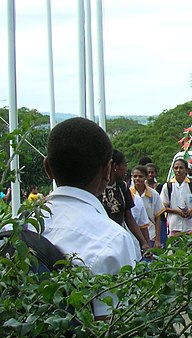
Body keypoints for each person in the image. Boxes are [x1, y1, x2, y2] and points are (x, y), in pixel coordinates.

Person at [39, 117, 139, 318]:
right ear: (107, 170)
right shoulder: (114, 241)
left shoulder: (18, 228)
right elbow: (114, 329)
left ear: (48, 168)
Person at [100, 150, 149, 251]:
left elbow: (129, 218)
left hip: (119, 240)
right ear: (115, 167)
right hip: (102, 242)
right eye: (124, 165)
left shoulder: (122, 187)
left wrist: (143, 242)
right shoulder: (98, 188)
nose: (126, 169)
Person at [160, 159, 192, 237]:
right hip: (174, 226)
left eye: (181, 168)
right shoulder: (168, 186)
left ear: (186, 169)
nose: (178, 170)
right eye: (176, 168)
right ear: (173, 170)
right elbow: (163, 207)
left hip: (191, 226)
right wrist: (177, 211)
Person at [131, 165, 165, 248]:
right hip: (133, 235)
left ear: (146, 177)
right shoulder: (128, 194)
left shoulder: (153, 194)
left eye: (140, 176)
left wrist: (157, 240)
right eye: (135, 176)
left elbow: (157, 217)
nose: (137, 179)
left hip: (151, 234)